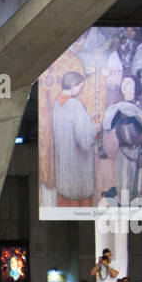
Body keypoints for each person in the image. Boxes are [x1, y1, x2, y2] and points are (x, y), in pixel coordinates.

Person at [51, 71, 99, 207]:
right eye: (80, 87)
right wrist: (95, 128)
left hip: (64, 163)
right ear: (72, 86)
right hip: (77, 165)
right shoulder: (75, 105)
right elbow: (84, 141)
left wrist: (87, 119)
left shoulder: (58, 103)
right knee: (79, 202)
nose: (81, 90)